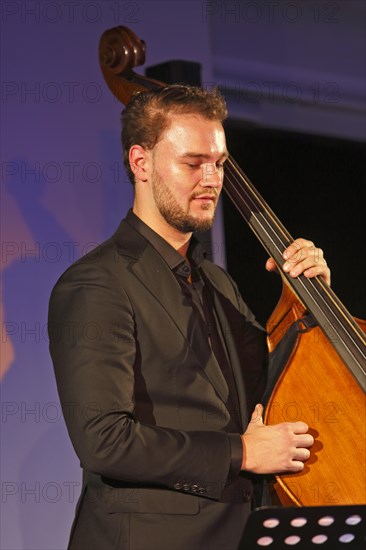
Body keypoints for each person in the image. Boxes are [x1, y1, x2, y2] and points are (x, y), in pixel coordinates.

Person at [48, 85, 331, 550]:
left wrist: (307, 299)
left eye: (218, 164)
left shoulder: (218, 283)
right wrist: (241, 452)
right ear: (141, 163)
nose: (212, 178)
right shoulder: (96, 284)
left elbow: (275, 390)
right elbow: (104, 440)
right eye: (193, 162)